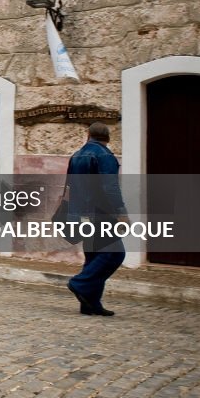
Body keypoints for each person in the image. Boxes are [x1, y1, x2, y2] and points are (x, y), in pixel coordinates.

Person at [66, 122, 129, 316]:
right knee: (115, 253)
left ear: (88, 135)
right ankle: (79, 283)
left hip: (81, 213)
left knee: (93, 256)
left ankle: (90, 304)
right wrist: (121, 213)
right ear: (107, 138)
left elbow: (70, 186)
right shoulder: (104, 155)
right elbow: (110, 187)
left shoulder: (76, 155)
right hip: (100, 213)